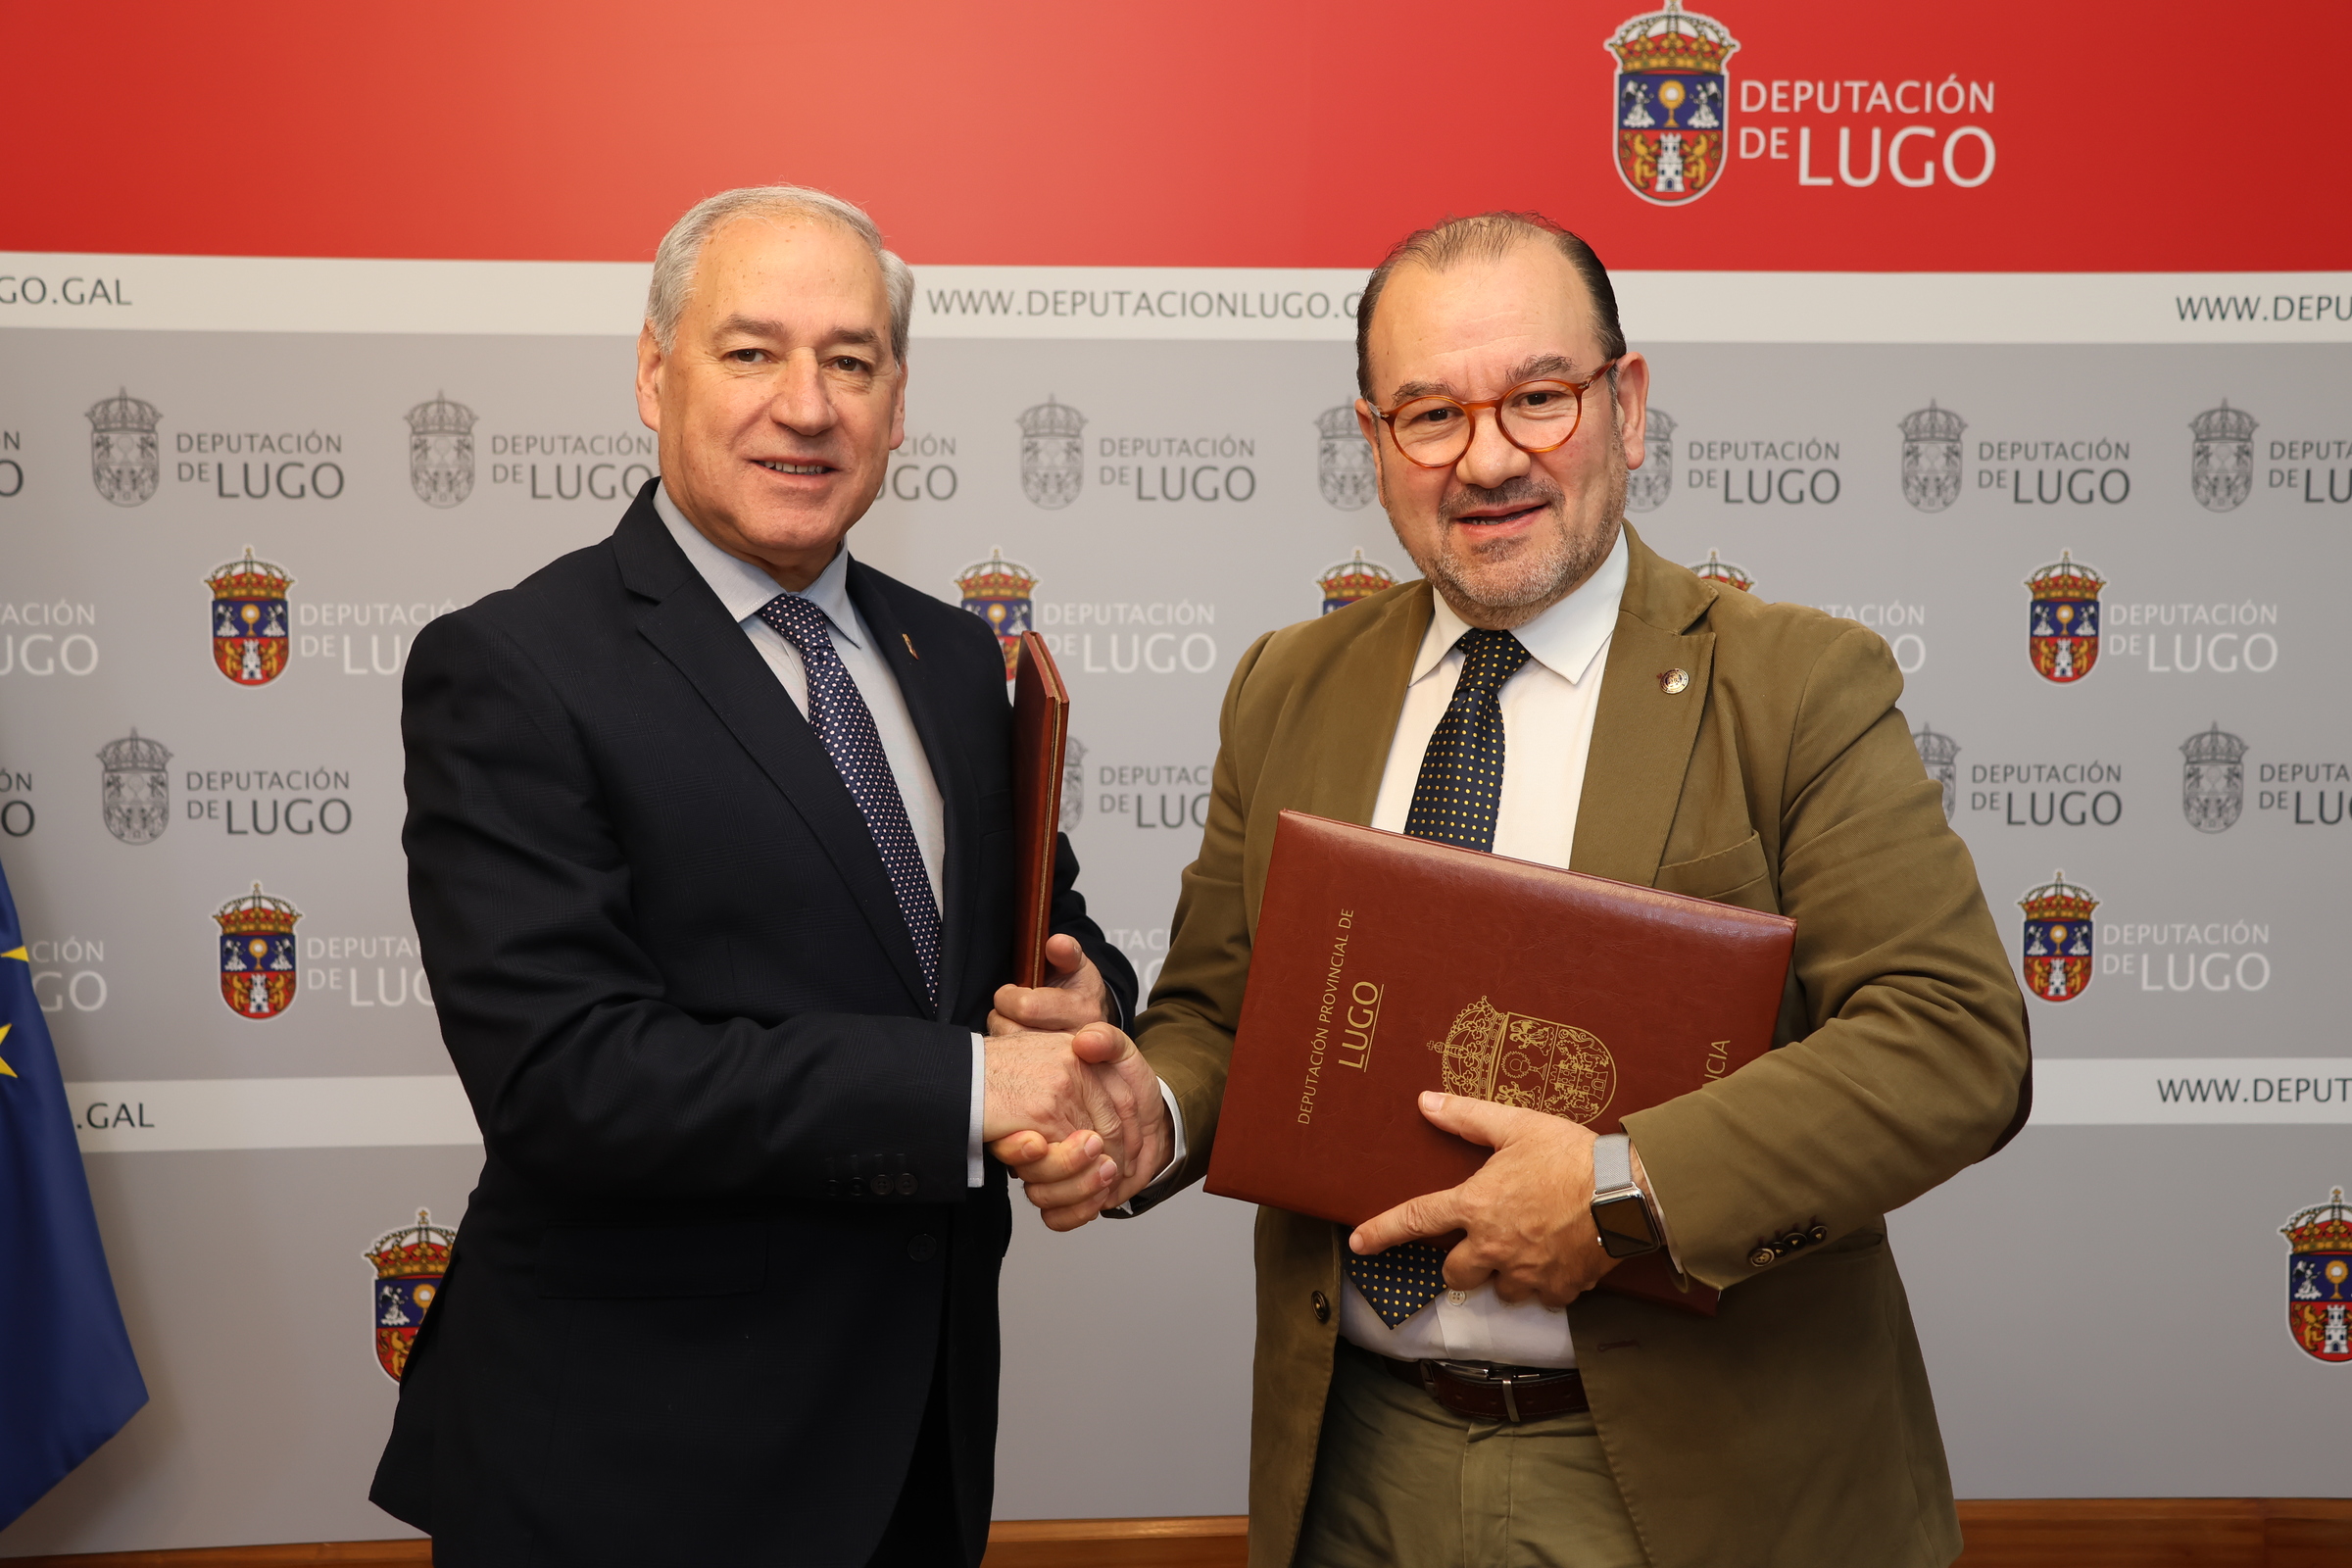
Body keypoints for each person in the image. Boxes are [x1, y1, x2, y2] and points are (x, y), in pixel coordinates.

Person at [999, 213, 2031, 1568]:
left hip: (1689, 1479)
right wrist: (1152, 1105)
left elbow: (1955, 1044)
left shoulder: (1796, 688)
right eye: (1430, 413)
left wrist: (1621, 1192)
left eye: (1539, 398)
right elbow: (1219, 1018)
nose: (1487, 458)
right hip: (1357, 1462)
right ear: (1373, 445)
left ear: (1628, 406)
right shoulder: (1286, 688)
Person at [371, 184, 1155, 1568]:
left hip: (914, 1455)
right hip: (626, 1477)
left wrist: (1086, 1006)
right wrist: (983, 1088)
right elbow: (571, 1079)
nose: (808, 406)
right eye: (752, 353)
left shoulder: (958, 662)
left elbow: (1043, 939)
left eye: (851, 361)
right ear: (653, 371)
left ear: (898, 403)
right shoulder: (514, 668)